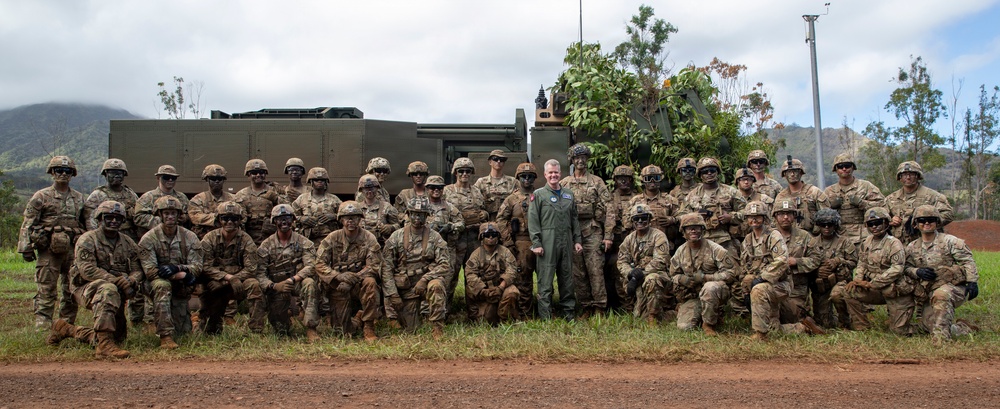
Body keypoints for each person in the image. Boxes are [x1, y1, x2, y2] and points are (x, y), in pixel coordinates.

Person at [47, 200, 140, 358]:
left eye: (118, 218)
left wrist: (131, 280)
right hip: (86, 288)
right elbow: (87, 270)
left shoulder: (128, 243)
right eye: (109, 217)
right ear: (99, 219)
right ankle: (104, 348)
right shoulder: (87, 240)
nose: (113, 221)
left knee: (118, 338)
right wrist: (115, 279)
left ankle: (66, 329)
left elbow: (137, 269)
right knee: (108, 289)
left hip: (115, 292)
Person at [740, 201, 823, 340]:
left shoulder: (775, 236)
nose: (754, 219)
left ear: (765, 218)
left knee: (759, 290)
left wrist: (796, 262)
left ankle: (761, 334)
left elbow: (782, 261)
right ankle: (799, 328)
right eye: (750, 216)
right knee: (773, 329)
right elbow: (745, 264)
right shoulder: (748, 240)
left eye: (758, 216)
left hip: (785, 286)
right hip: (765, 285)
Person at [19, 155, 85, 330]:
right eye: (59, 170)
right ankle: (43, 324)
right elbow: (28, 222)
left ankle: (66, 325)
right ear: (52, 173)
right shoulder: (41, 196)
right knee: (46, 287)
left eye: (67, 171)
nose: (63, 174)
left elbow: (86, 224)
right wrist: (25, 248)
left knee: (71, 288)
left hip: (72, 249)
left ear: (72, 174)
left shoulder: (79, 198)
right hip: (48, 249)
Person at [315, 201, 392, 341]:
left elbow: (374, 265)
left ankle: (369, 326)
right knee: (342, 333)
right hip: (338, 285)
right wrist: (338, 277)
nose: (351, 221)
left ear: (360, 219)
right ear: (341, 220)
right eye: (346, 217)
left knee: (371, 283)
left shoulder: (369, 238)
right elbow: (320, 264)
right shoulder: (332, 238)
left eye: (355, 217)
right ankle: (357, 320)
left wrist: (352, 279)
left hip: (358, 283)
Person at [833, 207, 914, 335]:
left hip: (894, 291)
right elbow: (861, 263)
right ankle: (862, 327)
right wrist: (858, 281)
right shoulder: (867, 242)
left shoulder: (894, 244)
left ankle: (919, 324)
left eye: (878, 223)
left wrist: (872, 283)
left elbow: (897, 269)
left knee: (899, 332)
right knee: (848, 292)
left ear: (886, 224)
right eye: (871, 224)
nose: (874, 227)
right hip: (873, 289)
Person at [905, 205, 978, 343]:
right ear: (915, 224)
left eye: (931, 219)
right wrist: (917, 271)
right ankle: (962, 328)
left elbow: (967, 261)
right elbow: (906, 268)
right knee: (930, 325)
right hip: (928, 290)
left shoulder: (950, 241)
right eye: (922, 220)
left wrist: (972, 281)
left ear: (937, 222)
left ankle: (941, 341)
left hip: (953, 287)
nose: (926, 223)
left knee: (942, 294)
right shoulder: (912, 247)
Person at [138, 196, 203, 349]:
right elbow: (150, 271)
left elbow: (197, 266)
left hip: (180, 287)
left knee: (183, 331)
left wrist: (179, 269)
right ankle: (165, 337)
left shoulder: (189, 237)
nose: (170, 216)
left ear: (179, 215)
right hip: (155, 285)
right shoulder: (149, 239)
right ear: (160, 215)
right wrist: (180, 275)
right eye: (166, 213)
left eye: (173, 213)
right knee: (162, 285)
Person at [382, 197, 451, 339]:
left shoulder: (435, 237)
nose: (417, 218)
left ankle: (437, 327)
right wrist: (393, 295)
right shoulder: (396, 236)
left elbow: (445, 264)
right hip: (405, 286)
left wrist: (425, 279)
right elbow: (386, 268)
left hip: (425, 281)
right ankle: (396, 319)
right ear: (408, 214)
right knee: (410, 330)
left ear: (426, 216)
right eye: (413, 214)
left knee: (437, 286)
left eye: (421, 214)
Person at [528, 159, 583, 320]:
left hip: (565, 241)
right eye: (550, 172)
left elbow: (574, 219)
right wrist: (536, 243)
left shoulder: (568, 194)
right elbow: (533, 220)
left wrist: (577, 240)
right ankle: (545, 316)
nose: (553, 175)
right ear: (545, 175)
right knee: (545, 280)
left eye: (556, 172)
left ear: (560, 174)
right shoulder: (538, 195)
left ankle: (569, 314)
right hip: (547, 241)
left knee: (567, 279)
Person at [198, 202, 264, 334]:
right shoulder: (209, 238)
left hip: (238, 283)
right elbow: (204, 266)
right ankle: (209, 324)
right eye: (225, 218)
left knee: (254, 285)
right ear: (219, 220)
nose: (229, 222)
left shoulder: (246, 239)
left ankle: (256, 329)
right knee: (209, 328)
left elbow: (251, 268)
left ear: (240, 220)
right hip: (215, 283)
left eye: (234, 219)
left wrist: (231, 279)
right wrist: (227, 278)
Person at [560, 144, 610, 318]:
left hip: (592, 231)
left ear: (587, 160)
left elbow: (609, 208)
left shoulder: (597, 182)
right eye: (577, 158)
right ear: (572, 160)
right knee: (578, 272)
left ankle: (600, 307)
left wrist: (608, 236)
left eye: (583, 158)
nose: (580, 161)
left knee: (595, 269)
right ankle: (586, 306)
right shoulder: (564, 184)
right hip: (573, 233)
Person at [256, 204, 319, 340]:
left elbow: (311, 266)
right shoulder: (266, 246)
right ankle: (286, 320)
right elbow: (260, 274)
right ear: (274, 222)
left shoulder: (304, 242)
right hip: (277, 286)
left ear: (293, 220)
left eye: (287, 218)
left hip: (296, 282)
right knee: (281, 330)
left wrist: (293, 279)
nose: (284, 222)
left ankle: (311, 328)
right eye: (280, 219)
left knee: (309, 283)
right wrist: (273, 286)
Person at [668, 213, 736, 335]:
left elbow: (731, 273)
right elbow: (672, 274)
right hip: (693, 296)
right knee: (685, 327)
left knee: (710, 287)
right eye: (689, 228)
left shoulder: (715, 249)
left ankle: (708, 324)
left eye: (697, 227)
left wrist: (706, 278)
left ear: (702, 230)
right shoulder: (681, 251)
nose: (693, 230)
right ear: (683, 232)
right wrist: (682, 279)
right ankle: (699, 313)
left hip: (716, 293)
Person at [798, 209, 857, 329]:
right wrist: (817, 270)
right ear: (818, 225)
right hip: (821, 285)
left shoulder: (844, 242)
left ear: (835, 225)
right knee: (825, 324)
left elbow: (854, 262)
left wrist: (839, 261)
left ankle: (845, 321)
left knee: (837, 295)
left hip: (840, 281)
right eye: (823, 224)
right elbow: (806, 262)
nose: (826, 227)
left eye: (830, 225)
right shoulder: (812, 242)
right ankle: (830, 318)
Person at [680, 157, 746, 257]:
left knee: (732, 269)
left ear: (717, 172)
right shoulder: (692, 195)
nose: (709, 174)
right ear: (700, 175)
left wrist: (730, 217)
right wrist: (696, 217)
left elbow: (746, 212)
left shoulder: (731, 192)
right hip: (700, 240)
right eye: (705, 172)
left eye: (712, 170)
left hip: (726, 240)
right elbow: (682, 216)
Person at [496, 163, 538, 318]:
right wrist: (508, 242)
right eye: (523, 176)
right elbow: (500, 220)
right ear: (518, 178)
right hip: (521, 243)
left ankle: (544, 309)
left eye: (530, 176)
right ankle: (525, 312)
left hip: (542, 242)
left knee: (545, 279)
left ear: (534, 178)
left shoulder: (541, 195)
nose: (527, 179)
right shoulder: (511, 199)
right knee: (523, 279)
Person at [617, 204, 671, 322]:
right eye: (636, 218)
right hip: (636, 277)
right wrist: (630, 273)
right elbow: (621, 261)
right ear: (632, 221)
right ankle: (633, 308)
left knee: (652, 279)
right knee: (639, 317)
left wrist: (640, 274)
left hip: (656, 275)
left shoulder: (658, 236)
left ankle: (653, 316)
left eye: (643, 218)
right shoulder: (629, 239)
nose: (640, 221)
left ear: (650, 219)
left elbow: (660, 260)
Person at [464, 222, 520, 324]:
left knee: (512, 292)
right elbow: (470, 274)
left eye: (494, 235)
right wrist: (483, 291)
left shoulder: (505, 252)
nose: (490, 237)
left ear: (498, 236)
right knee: (484, 319)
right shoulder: (476, 254)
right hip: (484, 291)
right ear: (481, 237)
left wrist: (501, 288)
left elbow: (512, 270)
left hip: (501, 288)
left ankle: (506, 319)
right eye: (487, 235)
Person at [424, 175, 465, 312]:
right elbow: (408, 222)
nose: (436, 190)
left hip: (446, 249)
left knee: (449, 278)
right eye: (432, 187)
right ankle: (426, 310)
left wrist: (451, 226)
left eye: (439, 188)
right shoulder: (420, 206)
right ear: (427, 189)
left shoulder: (449, 207)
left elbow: (461, 223)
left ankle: (445, 310)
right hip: (424, 249)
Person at [886, 161, 953, 244]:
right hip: (899, 245)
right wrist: (890, 221)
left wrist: (925, 222)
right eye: (904, 174)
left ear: (918, 176)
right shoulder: (891, 198)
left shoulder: (932, 196)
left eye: (912, 174)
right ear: (899, 177)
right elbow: (880, 218)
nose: (908, 177)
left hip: (926, 245)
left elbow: (948, 214)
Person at [444, 157, 488, 281]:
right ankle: (447, 300)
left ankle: (474, 300)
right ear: (455, 172)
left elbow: (484, 209)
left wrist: (484, 214)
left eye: (468, 171)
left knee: (475, 274)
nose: (464, 174)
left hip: (474, 239)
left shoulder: (477, 191)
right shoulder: (446, 191)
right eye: (461, 171)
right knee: (451, 274)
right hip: (455, 239)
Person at [824, 153, 884, 243]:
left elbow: (882, 206)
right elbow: (820, 214)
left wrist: (862, 203)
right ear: (836, 169)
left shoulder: (866, 186)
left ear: (852, 167)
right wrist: (830, 206)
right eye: (840, 166)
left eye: (847, 166)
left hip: (863, 236)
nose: (844, 169)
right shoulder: (829, 191)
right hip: (838, 237)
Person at [772, 199, 815, 323]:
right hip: (774, 285)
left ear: (794, 216)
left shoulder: (804, 236)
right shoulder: (769, 236)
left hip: (796, 289)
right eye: (781, 214)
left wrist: (797, 262)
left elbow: (816, 259)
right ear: (775, 216)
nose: (785, 217)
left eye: (789, 214)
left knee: (793, 316)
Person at [602, 165, 637, 312]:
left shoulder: (637, 198)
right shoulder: (609, 198)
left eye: (626, 179)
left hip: (633, 240)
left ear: (631, 180)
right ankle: (617, 304)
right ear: (615, 180)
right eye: (619, 179)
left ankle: (632, 304)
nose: (623, 181)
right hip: (614, 242)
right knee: (613, 272)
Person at [83, 158, 139, 242]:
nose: (116, 176)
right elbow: (90, 220)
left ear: (124, 175)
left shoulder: (130, 194)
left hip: (128, 237)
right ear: (106, 174)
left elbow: (138, 215)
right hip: (106, 237)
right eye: (113, 173)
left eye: (119, 173)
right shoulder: (97, 195)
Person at [134, 164, 190, 240]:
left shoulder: (182, 197)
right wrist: (162, 221)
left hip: (176, 239)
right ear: (158, 178)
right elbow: (138, 217)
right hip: (154, 239)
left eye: (173, 178)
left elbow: (189, 214)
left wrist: (184, 217)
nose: (170, 180)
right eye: (166, 177)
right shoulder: (148, 197)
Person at [775, 157, 829, 236]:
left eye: (795, 171)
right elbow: (775, 221)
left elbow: (827, 217)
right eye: (789, 171)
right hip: (789, 239)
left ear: (801, 173)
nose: (792, 174)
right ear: (784, 174)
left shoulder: (814, 192)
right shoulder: (781, 197)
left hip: (813, 238)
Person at [235, 159, 282, 245]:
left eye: (261, 172)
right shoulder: (241, 195)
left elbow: (288, 208)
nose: (258, 175)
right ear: (248, 175)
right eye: (254, 172)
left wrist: (276, 199)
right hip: (248, 237)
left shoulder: (275, 191)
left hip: (272, 236)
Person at [291, 167, 341, 244]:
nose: (320, 182)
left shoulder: (334, 199)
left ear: (326, 182)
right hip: (306, 240)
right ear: (311, 181)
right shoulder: (302, 199)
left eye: (322, 180)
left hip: (329, 241)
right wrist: (301, 219)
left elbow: (344, 216)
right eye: (316, 180)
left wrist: (333, 216)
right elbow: (291, 215)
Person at [188, 164, 236, 239]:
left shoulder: (233, 199)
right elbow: (195, 217)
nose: (217, 181)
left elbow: (240, 218)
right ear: (207, 179)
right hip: (203, 238)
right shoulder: (197, 200)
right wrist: (217, 218)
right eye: (213, 179)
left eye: (220, 179)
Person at [474, 149, 518, 221]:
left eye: (502, 159)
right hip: (488, 223)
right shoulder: (481, 182)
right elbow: (474, 202)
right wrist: (483, 213)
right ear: (490, 162)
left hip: (507, 222)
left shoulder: (513, 182)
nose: (498, 161)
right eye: (495, 159)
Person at [733, 167, 773, 243]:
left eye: (749, 179)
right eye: (743, 179)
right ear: (738, 181)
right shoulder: (731, 199)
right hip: (737, 239)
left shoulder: (764, 199)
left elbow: (771, 221)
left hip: (760, 239)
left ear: (753, 181)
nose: (746, 182)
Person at [358, 174, 400, 246]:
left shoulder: (387, 207)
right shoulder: (357, 208)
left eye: (372, 188)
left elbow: (399, 226)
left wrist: (390, 227)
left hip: (381, 246)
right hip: (361, 247)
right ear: (361, 190)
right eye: (366, 189)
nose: (370, 191)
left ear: (377, 188)